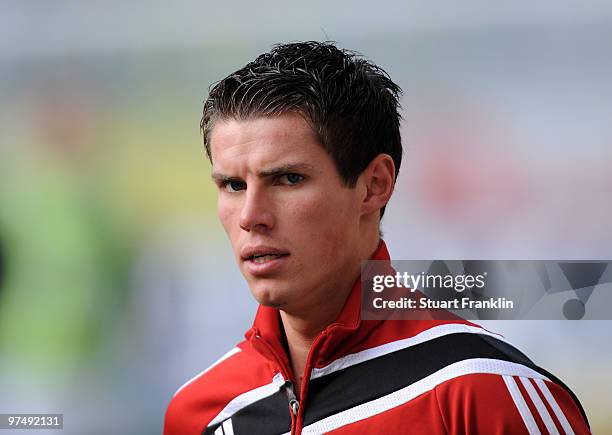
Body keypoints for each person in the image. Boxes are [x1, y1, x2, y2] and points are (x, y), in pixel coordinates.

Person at [164, 41, 590, 435]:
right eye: (233, 186)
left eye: (288, 179)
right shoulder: (199, 413)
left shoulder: (480, 389)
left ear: (374, 186)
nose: (251, 217)